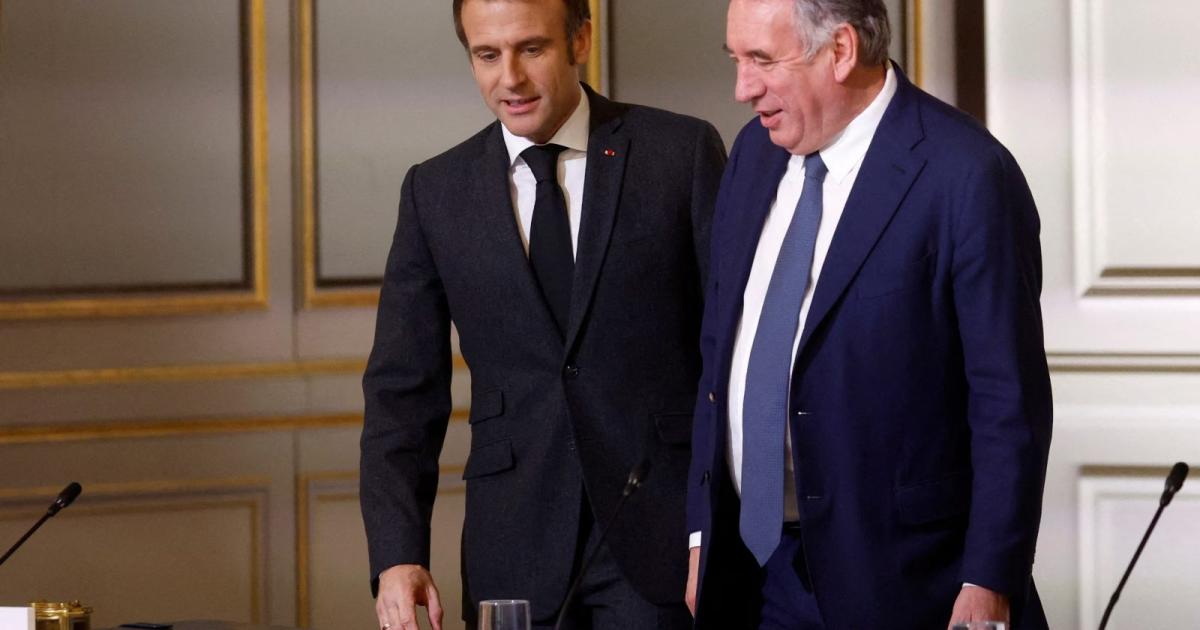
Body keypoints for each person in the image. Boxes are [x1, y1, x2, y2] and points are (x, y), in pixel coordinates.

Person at [684, 1, 1052, 628]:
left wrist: (989, 578)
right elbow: (719, 352)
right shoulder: (752, 155)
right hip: (754, 575)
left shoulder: (965, 173)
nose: (742, 89)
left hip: (908, 582)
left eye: (762, 61)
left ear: (841, 50)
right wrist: (702, 536)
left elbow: (1007, 401)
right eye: (736, 60)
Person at [360, 0, 726, 628]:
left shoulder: (679, 153)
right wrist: (397, 553)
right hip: (513, 543)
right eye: (487, 55)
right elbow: (402, 392)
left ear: (580, 40)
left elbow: (730, 352)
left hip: (661, 537)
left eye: (531, 49)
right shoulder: (435, 192)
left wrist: (711, 528)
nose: (511, 78)